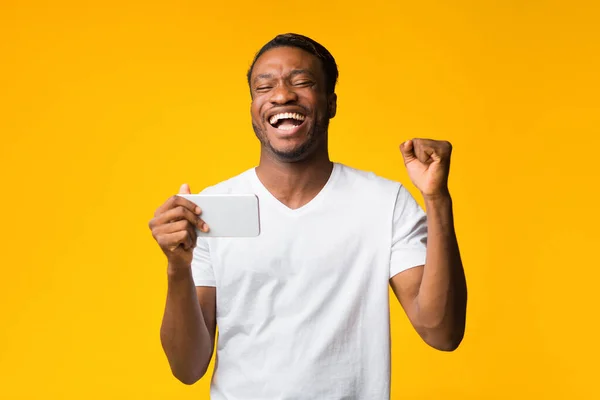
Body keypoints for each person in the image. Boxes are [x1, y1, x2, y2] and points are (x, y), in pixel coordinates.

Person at [149, 33, 467, 399]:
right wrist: (177, 267)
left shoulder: (383, 203)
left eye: (302, 82)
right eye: (263, 86)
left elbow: (442, 332)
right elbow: (187, 368)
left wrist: (436, 198)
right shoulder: (212, 209)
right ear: (253, 106)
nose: (282, 95)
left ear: (331, 103)